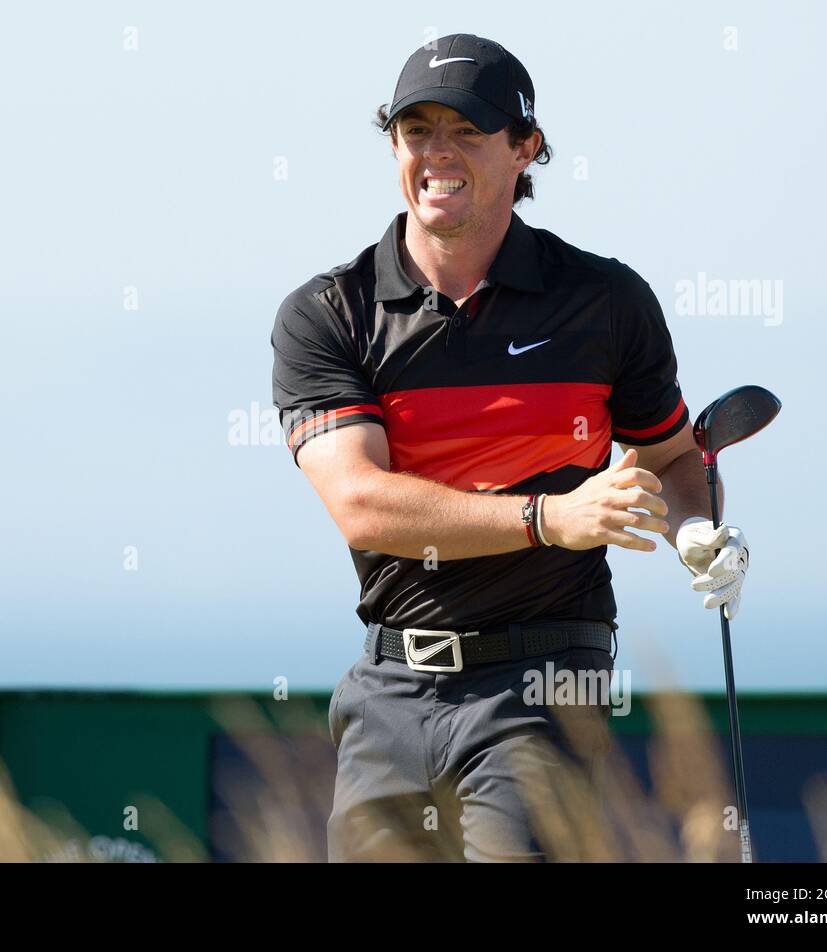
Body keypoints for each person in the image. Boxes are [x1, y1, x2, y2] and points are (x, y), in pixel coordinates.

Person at [269, 34, 750, 862]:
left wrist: (695, 532)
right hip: (389, 685)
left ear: (526, 148)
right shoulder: (329, 312)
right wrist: (548, 517)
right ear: (393, 144)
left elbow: (669, 456)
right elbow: (361, 503)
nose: (437, 153)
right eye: (417, 130)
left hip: (545, 679)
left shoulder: (604, 300)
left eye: (468, 130)